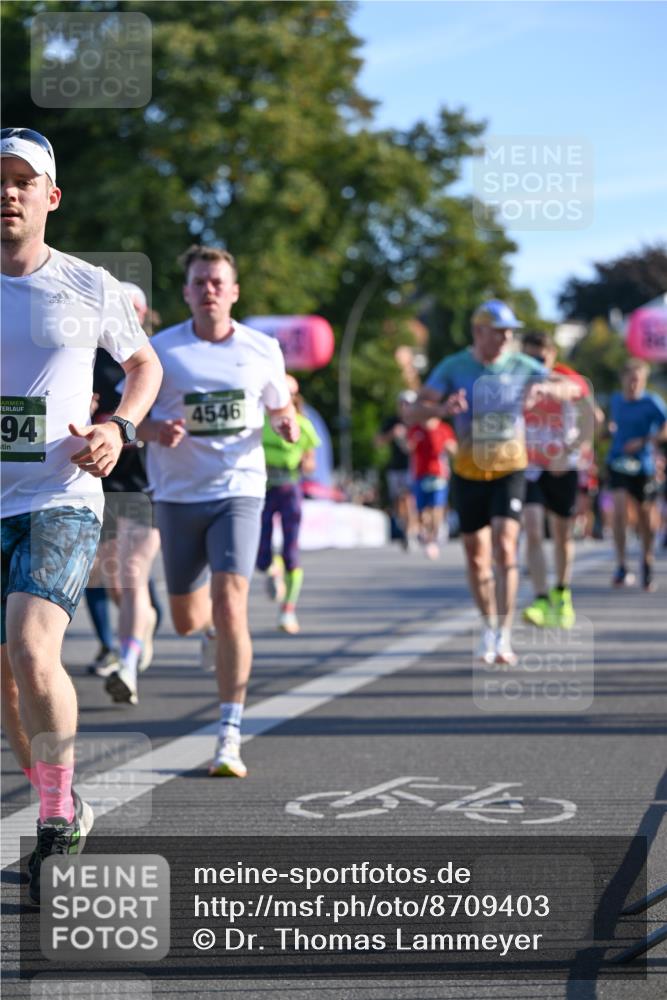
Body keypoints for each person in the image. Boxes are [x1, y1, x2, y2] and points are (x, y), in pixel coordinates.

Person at [0, 127, 162, 902]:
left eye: (22, 181)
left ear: (50, 197)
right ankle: (62, 799)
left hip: (62, 495)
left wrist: (118, 426)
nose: (8, 191)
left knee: (34, 653)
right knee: (5, 682)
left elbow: (143, 364)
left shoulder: (88, 285)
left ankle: (57, 820)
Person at [139, 244, 299, 778]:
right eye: (199, 282)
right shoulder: (159, 351)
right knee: (188, 622)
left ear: (233, 292)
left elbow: (279, 403)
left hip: (240, 489)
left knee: (232, 602)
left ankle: (229, 735)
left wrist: (285, 422)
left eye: (217, 282)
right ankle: (206, 631)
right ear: (186, 293)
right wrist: (154, 429)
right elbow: (128, 419)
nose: (209, 289)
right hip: (179, 495)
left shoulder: (262, 348)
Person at [412, 299, 581, 665]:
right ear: (479, 332)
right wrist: (441, 411)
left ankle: (503, 634)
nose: (507, 338)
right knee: (477, 557)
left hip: (510, 467)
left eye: (510, 332)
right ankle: (487, 625)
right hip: (469, 470)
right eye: (500, 331)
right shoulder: (455, 367)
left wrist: (547, 391)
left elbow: (573, 389)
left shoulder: (522, 364)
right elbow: (413, 408)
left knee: (506, 547)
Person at [84, 282, 164, 685]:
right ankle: (145, 621)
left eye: (134, 309)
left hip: (148, 481)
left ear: (145, 314)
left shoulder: (154, 359)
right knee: (111, 580)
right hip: (101, 481)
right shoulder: (90, 358)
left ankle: (128, 660)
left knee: (132, 573)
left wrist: (149, 429)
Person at [519, 330, 595, 629]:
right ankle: (539, 599)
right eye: (529, 357)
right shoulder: (514, 378)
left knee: (562, 534)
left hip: (561, 464)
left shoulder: (566, 376)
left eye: (540, 357)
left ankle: (562, 594)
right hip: (529, 466)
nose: (535, 363)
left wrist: (572, 450)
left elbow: (590, 414)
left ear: (552, 355)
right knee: (534, 528)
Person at [257, 374, 321, 634]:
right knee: (261, 555)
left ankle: (288, 611)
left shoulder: (304, 426)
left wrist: (306, 463)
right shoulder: (261, 423)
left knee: (292, 553)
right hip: (263, 489)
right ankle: (273, 571)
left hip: (289, 489)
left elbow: (310, 460)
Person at [606, 358, 667, 591]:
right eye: (630, 380)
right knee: (619, 511)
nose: (633, 385)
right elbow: (613, 424)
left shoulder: (652, 402)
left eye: (638, 381)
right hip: (618, 461)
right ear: (622, 379)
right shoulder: (615, 400)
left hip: (643, 466)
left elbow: (665, 428)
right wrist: (608, 430)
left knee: (644, 518)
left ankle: (647, 561)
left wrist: (644, 441)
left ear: (644, 381)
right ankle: (621, 564)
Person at [407, 414, 456, 560]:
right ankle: (427, 534)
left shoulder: (444, 428)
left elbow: (455, 450)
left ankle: (433, 539)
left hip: (439, 474)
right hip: (420, 475)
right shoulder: (415, 429)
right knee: (422, 512)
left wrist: (449, 447)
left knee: (436, 507)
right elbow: (407, 448)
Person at [374, 392, 418, 550]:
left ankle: (410, 532)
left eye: (408, 404)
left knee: (408, 498)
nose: (405, 407)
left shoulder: (416, 423)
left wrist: (410, 443)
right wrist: (391, 434)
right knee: (398, 501)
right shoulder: (392, 422)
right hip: (395, 467)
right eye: (402, 404)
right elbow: (377, 442)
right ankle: (404, 525)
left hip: (413, 467)